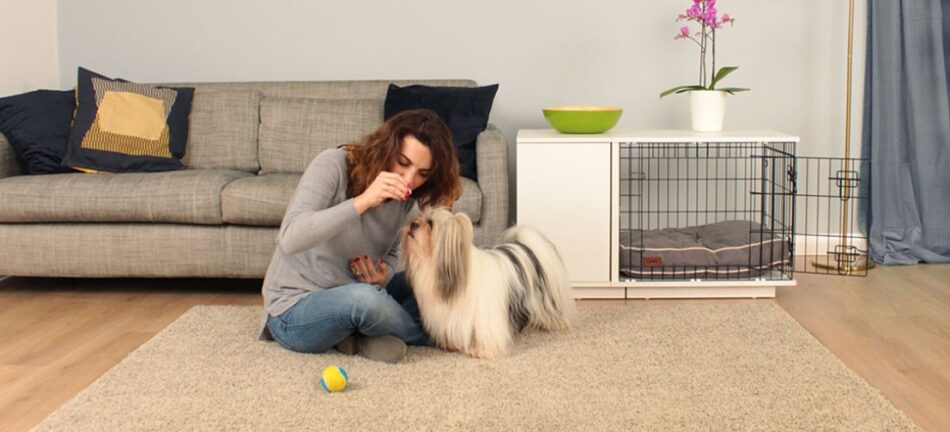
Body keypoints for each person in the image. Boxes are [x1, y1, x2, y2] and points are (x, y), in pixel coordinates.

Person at [258, 109, 462, 363]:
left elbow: (389, 252)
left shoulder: (404, 198)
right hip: (293, 312)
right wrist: (363, 202)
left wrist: (383, 275)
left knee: (417, 281)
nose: (409, 180)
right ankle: (436, 335)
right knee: (365, 300)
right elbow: (290, 237)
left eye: (423, 173)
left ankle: (355, 337)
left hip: (353, 292)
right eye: (403, 162)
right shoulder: (332, 164)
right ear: (387, 148)